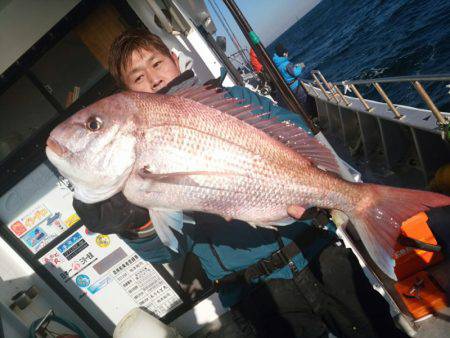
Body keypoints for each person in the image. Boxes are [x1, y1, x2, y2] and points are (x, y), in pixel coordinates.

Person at [73, 29, 407, 338]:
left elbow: (299, 135)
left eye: (156, 63)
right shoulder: (133, 159)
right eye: (138, 77)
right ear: (129, 92)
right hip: (256, 291)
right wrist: (136, 226)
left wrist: (319, 187)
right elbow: (166, 248)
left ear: (175, 60)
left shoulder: (234, 99)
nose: (154, 79)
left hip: (316, 251)